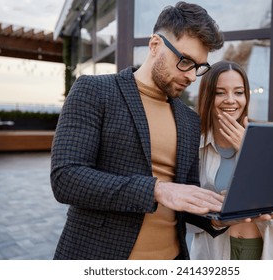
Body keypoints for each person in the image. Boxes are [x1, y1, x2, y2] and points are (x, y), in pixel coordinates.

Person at [50, 1, 229, 260]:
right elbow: (65, 179)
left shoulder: (190, 120)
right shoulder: (94, 91)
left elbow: (184, 199)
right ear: (155, 45)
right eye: (185, 61)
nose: (191, 76)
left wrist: (219, 216)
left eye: (199, 67)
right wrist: (157, 189)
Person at [189, 60, 273, 260]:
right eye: (220, 92)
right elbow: (184, 216)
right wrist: (220, 218)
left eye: (239, 92)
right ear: (208, 96)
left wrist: (248, 150)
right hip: (213, 252)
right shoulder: (194, 145)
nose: (231, 100)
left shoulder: (263, 140)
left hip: (259, 249)